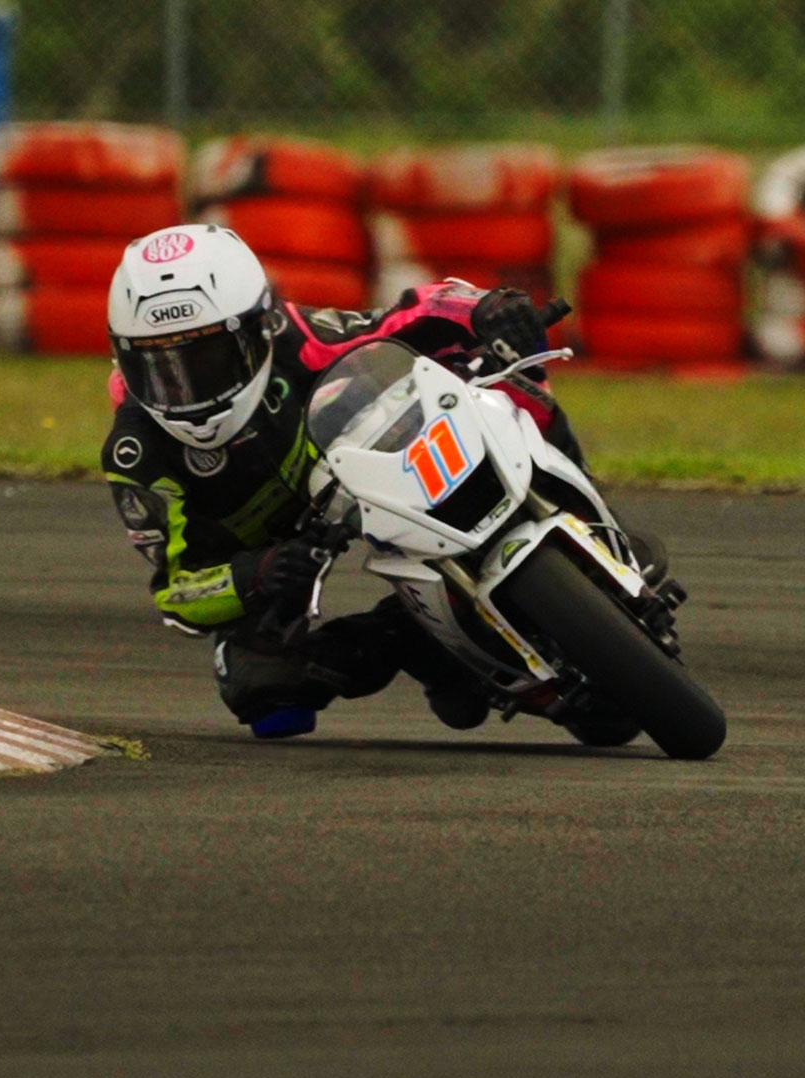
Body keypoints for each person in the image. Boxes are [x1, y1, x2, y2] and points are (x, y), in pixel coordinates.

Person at [102, 222, 587, 740]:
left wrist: (486, 308)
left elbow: (405, 315)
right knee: (265, 695)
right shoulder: (137, 455)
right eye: (158, 366)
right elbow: (177, 591)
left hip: (360, 458)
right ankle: (414, 637)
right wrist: (256, 574)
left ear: (256, 329)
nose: (184, 387)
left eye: (206, 359)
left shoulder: (297, 336)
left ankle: (575, 521)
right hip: (280, 548)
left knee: (514, 385)